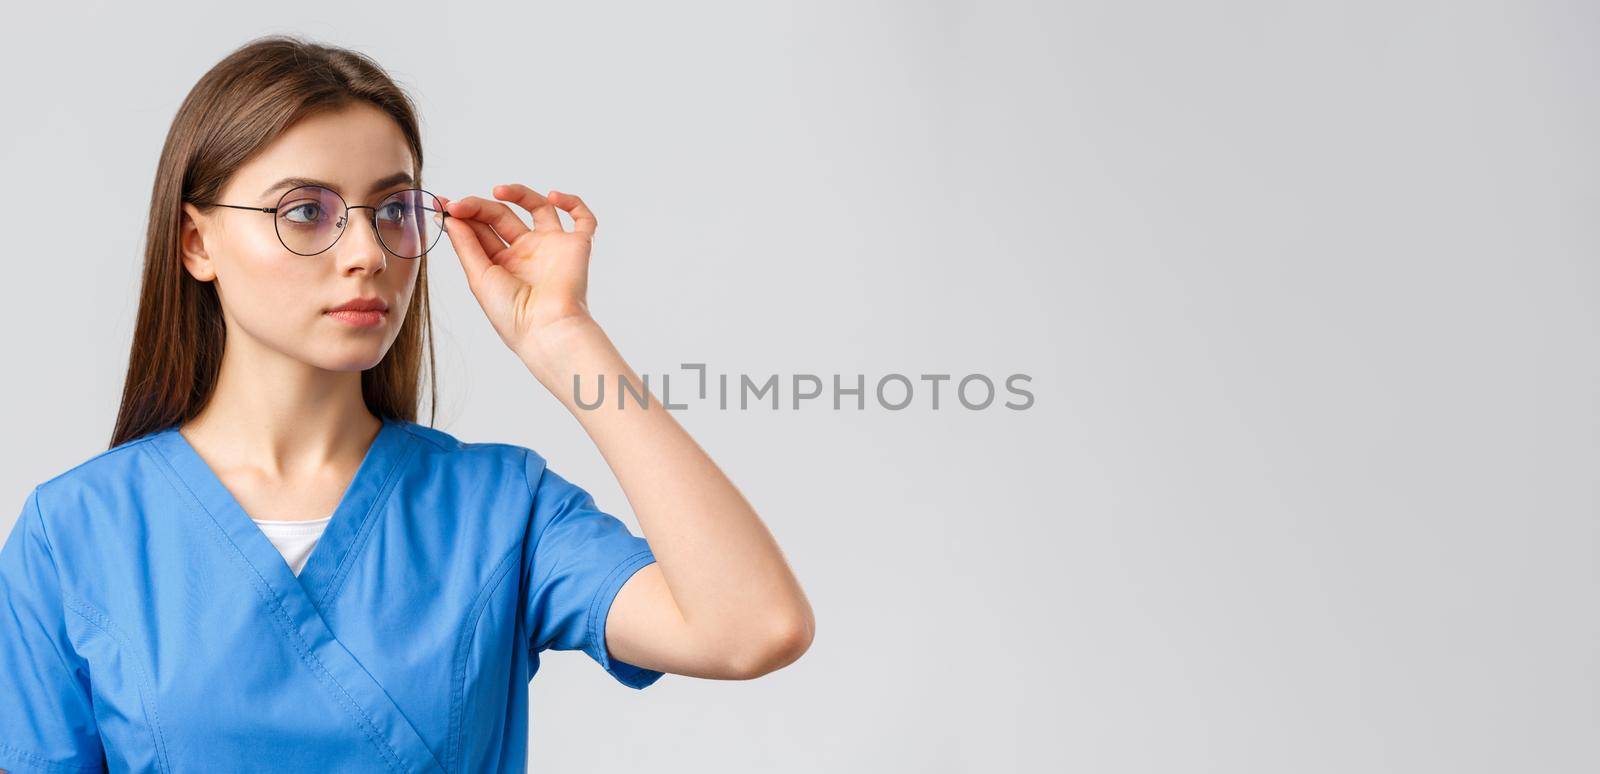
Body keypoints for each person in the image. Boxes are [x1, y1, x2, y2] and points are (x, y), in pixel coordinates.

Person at [0, 35, 813, 773]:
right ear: (196, 242)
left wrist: (566, 338)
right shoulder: (72, 533)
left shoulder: (502, 509)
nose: (365, 253)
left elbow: (752, 629)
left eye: (393, 210)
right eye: (304, 212)